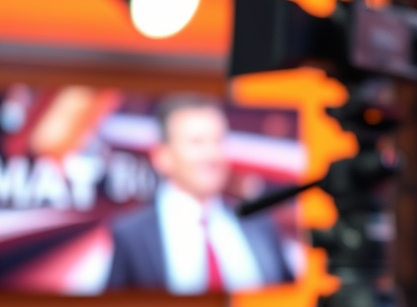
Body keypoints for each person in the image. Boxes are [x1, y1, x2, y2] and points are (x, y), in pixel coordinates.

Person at [106, 93, 293, 293]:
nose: (212, 154)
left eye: (218, 141)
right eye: (197, 142)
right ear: (162, 156)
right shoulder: (132, 235)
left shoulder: (259, 223)